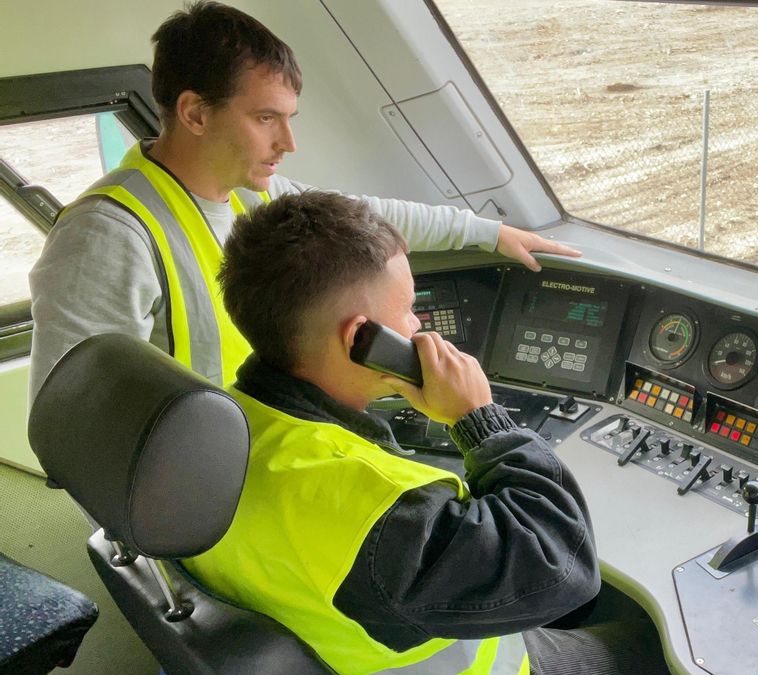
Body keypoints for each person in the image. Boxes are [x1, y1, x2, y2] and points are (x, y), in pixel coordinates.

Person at [182, 191, 667, 675]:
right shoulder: (376, 513)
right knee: (649, 641)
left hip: (338, 636)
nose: (417, 325)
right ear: (360, 340)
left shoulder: (218, 433)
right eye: (410, 309)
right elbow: (564, 566)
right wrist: (478, 419)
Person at [27, 1, 578, 400]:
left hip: (262, 451)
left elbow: (368, 217)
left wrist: (490, 233)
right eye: (266, 118)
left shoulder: (252, 197)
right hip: (197, 499)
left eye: (289, 119)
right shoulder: (106, 236)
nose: (288, 143)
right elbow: (67, 418)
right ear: (195, 113)